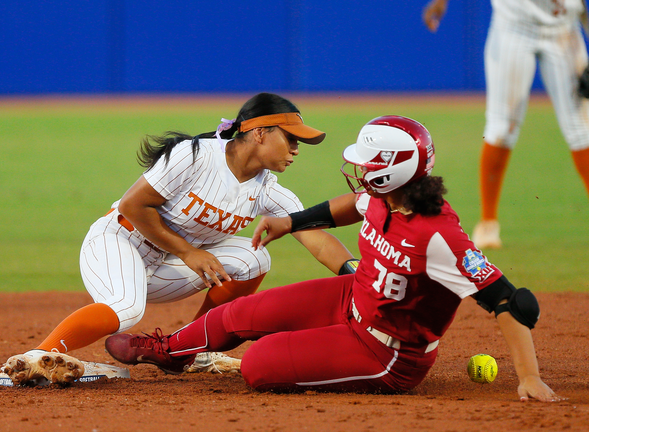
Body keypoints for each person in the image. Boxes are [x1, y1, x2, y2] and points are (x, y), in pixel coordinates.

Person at [104, 116, 563, 402]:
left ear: (393, 169)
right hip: (354, 296)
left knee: (259, 365)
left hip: (387, 350)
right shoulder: (386, 196)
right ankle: (170, 352)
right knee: (237, 314)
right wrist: (291, 221)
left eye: (369, 163)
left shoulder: (439, 237)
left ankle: (316, 351)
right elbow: (350, 206)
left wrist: (529, 376)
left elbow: (507, 300)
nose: (360, 170)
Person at [2, 92, 357, 385]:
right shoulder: (196, 156)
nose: (296, 148)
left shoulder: (268, 191)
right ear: (260, 132)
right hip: (119, 242)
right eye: (291, 138)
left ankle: (190, 348)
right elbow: (132, 205)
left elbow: (317, 240)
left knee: (254, 259)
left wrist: (356, 273)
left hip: (166, 265)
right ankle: (36, 357)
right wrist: (188, 252)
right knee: (126, 308)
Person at [422, 0, 589, 248]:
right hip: (515, 26)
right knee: (501, 128)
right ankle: (488, 222)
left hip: (564, 27)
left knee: (583, 129)